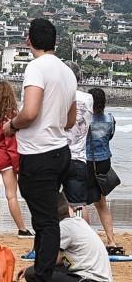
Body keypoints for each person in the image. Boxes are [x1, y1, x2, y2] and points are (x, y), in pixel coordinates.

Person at [4, 19, 78, 282]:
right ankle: (44, 270)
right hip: (60, 152)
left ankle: (42, 275)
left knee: (45, 222)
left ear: (28, 41)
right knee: (45, 218)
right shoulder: (67, 72)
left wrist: (11, 125)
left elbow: (31, 112)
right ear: (55, 42)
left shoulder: (35, 67)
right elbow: (70, 120)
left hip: (39, 153)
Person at [18, 194, 112, 282]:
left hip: (90, 278)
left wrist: (31, 268)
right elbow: (60, 260)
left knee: (32, 273)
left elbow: (50, 260)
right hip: (97, 277)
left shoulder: (63, 227)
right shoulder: (77, 221)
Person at [0, 80, 35, 238]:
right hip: (6, 159)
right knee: (11, 195)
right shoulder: (12, 115)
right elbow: (11, 143)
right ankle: (22, 229)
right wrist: (17, 165)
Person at [85, 88, 121, 255]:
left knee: (79, 202)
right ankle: (112, 241)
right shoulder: (110, 119)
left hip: (86, 161)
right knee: (102, 204)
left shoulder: (84, 119)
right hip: (103, 162)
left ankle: (85, 242)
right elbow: (110, 137)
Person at [62, 62, 94, 218]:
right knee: (79, 204)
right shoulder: (88, 99)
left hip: (57, 155)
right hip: (79, 158)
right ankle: (83, 235)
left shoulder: (56, 97)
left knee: (54, 201)